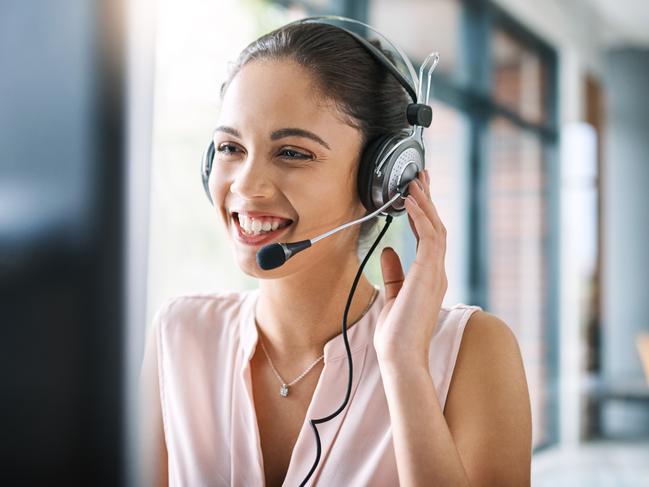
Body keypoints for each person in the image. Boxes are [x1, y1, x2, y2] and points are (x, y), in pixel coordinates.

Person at [140, 19, 532, 487]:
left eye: (293, 153)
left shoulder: (473, 350)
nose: (245, 185)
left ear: (384, 178)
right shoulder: (181, 336)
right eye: (230, 147)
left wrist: (404, 366)